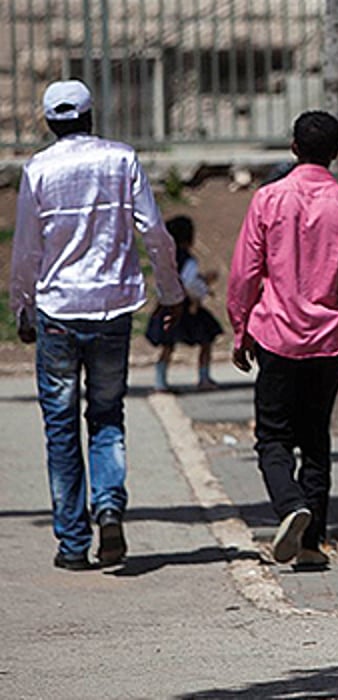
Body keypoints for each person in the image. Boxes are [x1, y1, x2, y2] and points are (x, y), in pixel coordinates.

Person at [9, 80, 185, 571]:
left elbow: (26, 249)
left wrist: (21, 309)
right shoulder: (122, 160)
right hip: (113, 309)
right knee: (107, 416)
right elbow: (154, 231)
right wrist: (170, 293)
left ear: (49, 122)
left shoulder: (38, 170)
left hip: (58, 313)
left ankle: (71, 543)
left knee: (60, 427)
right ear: (90, 116)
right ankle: (108, 506)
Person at [227, 111, 338, 569]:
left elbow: (245, 272)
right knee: (315, 440)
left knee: (272, 437)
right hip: (329, 343)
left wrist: (240, 328)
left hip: (276, 336)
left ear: (293, 147)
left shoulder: (268, 199)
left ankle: (289, 504)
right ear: (336, 152)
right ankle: (312, 543)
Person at [146, 215, 224, 391]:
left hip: (167, 305)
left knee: (167, 345)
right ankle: (204, 378)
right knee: (206, 340)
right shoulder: (188, 260)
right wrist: (203, 288)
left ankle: (160, 381)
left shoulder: (166, 259)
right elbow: (190, 283)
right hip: (186, 307)